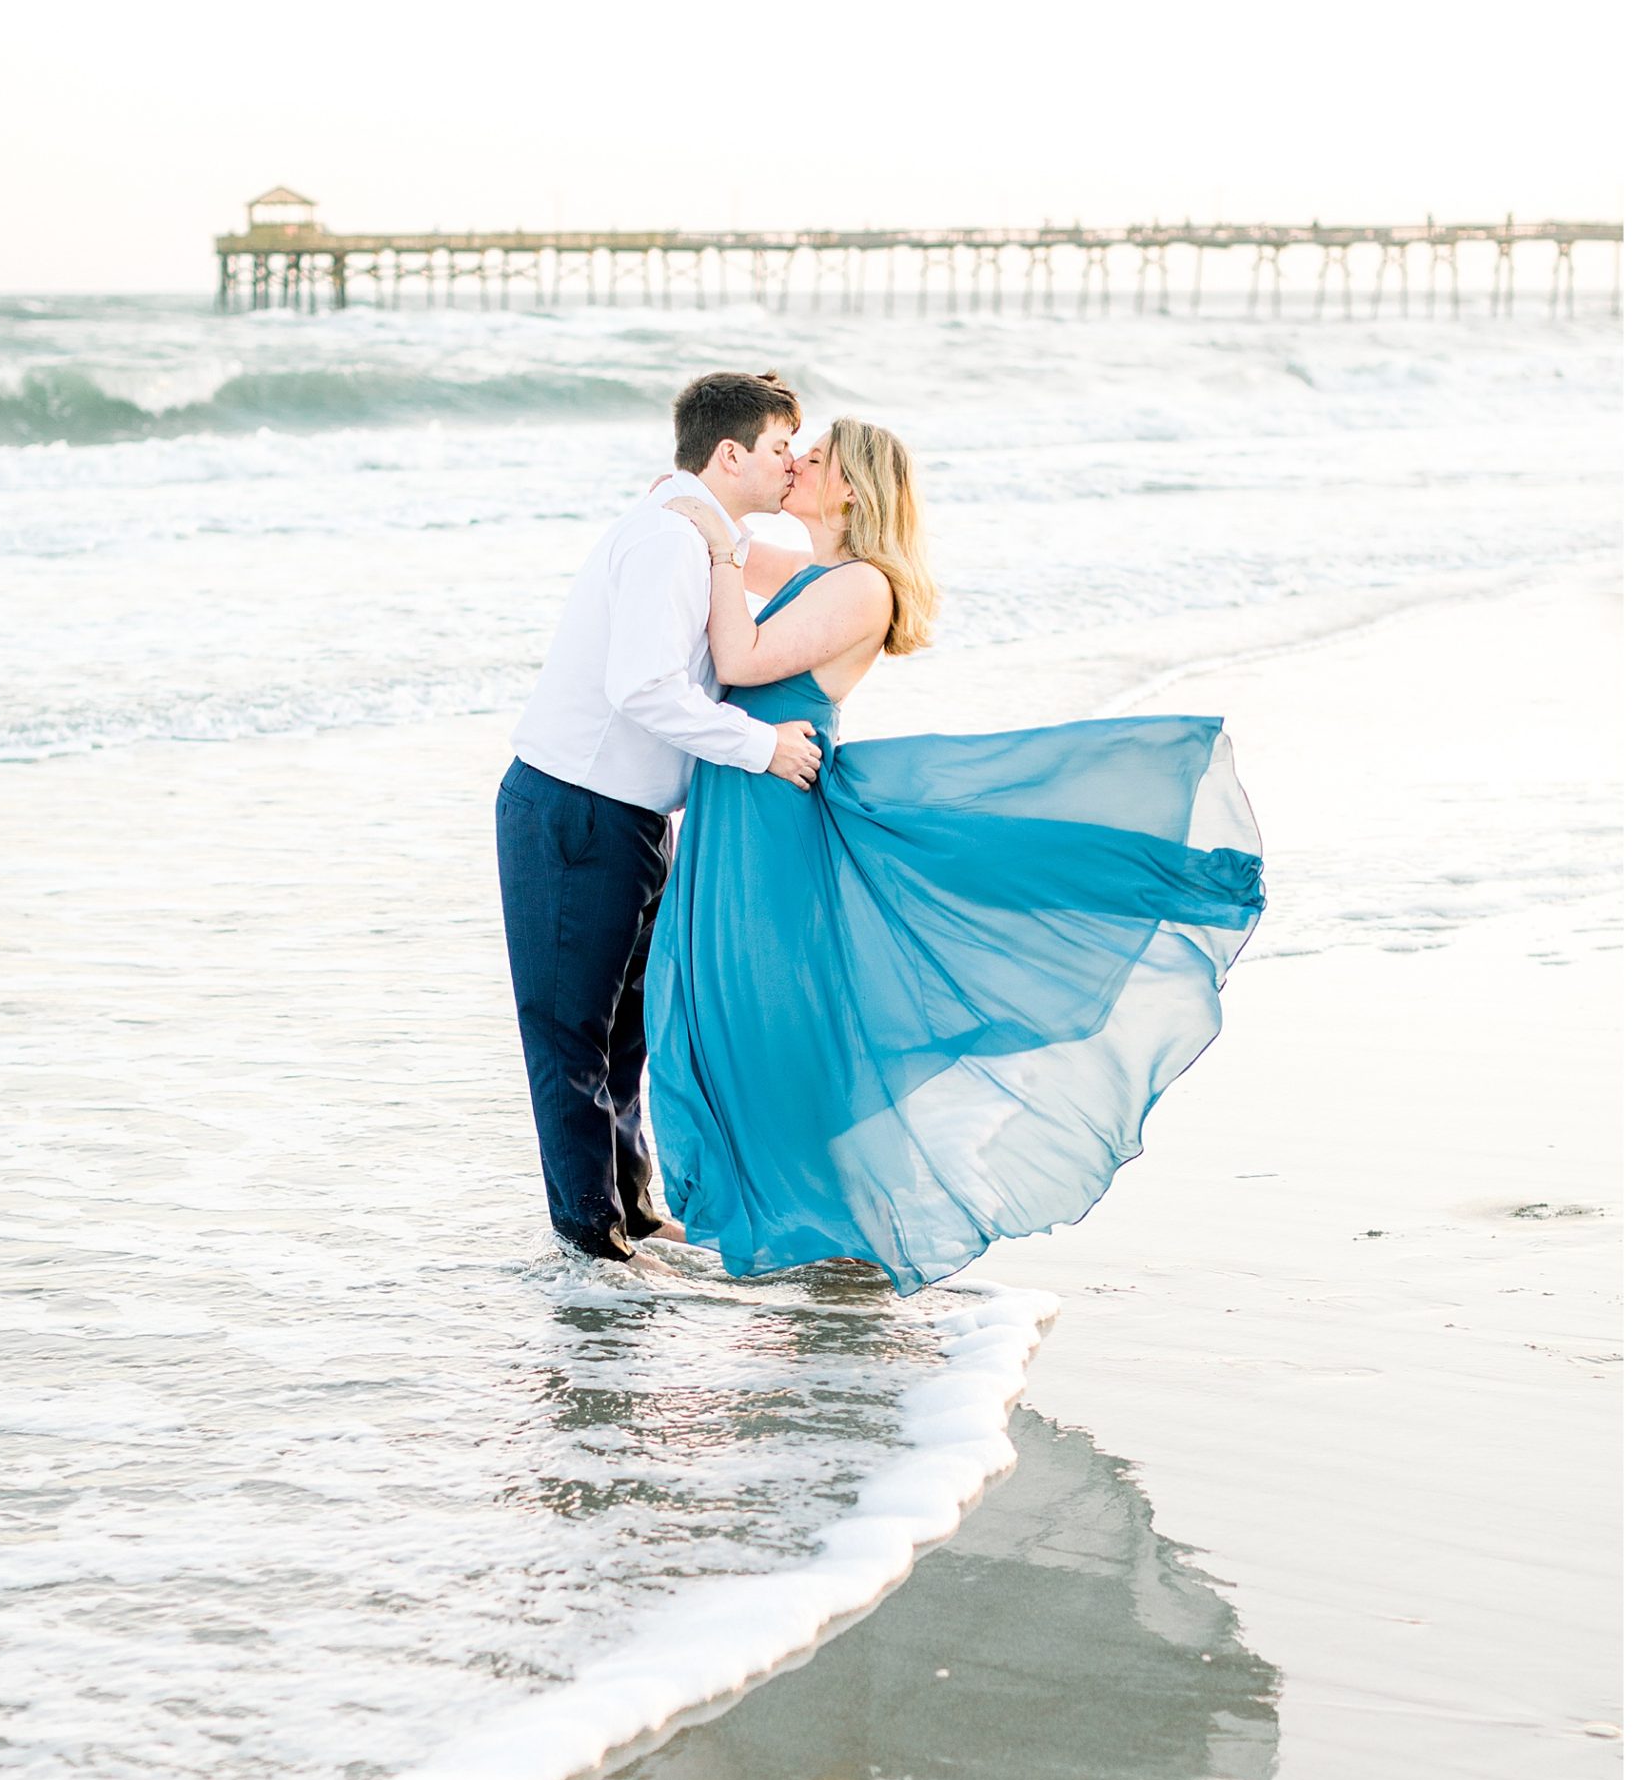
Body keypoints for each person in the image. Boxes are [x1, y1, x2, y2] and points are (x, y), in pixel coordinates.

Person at [646, 419, 1266, 1294]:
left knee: (774, 1007)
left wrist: (713, 547)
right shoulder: (818, 570)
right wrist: (692, 512)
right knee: (737, 1000)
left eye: (811, 458)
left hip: (774, 811)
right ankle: (807, 1213)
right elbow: (723, 546)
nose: (792, 464)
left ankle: (832, 1221)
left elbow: (737, 660)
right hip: (742, 803)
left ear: (851, 487)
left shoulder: (862, 587)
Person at [497, 371, 823, 1262]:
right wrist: (759, 748)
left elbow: (810, 578)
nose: (791, 464)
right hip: (574, 807)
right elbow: (641, 686)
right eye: (777, 448)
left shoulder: (701, 532)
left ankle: (630, 1210)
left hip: (632, 814)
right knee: (568, 1030)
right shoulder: (668, 541)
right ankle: (588, 1240)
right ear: (729, 455)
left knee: (626, 1028)